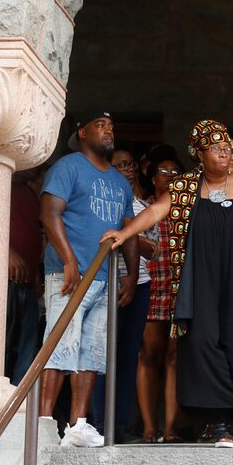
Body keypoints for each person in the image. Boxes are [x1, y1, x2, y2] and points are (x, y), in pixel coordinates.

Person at [102, 119, 233, 448]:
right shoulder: (185, 188)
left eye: (228, 148)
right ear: (199, 153)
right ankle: (222, 421)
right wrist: (125, 233)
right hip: (202, 283)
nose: (225, 154)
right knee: (204, 344)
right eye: (217, 148)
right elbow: (155, 212)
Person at [39, 110, 138, 447]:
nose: (108, 130)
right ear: (82, 132)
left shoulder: (120, 182)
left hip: (105, 280)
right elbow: (49, 214)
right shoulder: (68, 167)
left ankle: (78, 425)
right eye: (100, 125)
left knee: (91, 354)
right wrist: (68, 261)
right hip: (69, 275)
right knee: (58, 347)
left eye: (112, 126)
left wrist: (131, 273)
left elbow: (130, 230)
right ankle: (42, 425)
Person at [91, 145, 159, 442]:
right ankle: (96, 423)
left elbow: (154, 250)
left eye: (131, 164)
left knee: (128, 357)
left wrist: (129, 233)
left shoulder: (145, 207)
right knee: (99, 355)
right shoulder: (100, 200)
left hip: (139, 283)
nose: (128, 170)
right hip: (104, 282)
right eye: (121, 165)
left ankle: (118, 425)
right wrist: (132, 235)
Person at [136, 150, 185, 444]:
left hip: (180, 289)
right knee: (148, 355)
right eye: (164, 171)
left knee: (174, 358)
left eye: (176, 172)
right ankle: (148, 427)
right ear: (152, 178)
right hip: (152, 286)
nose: (170, 177)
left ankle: (170, 428)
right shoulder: (145, 208)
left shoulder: (188, 210)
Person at [5, 166, 44, 385]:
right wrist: (6, 252)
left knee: (26, 351)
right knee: (2, 348)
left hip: (27, 283)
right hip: (2, 282)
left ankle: (18, 409)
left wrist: (36, 276)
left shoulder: (29, 193)